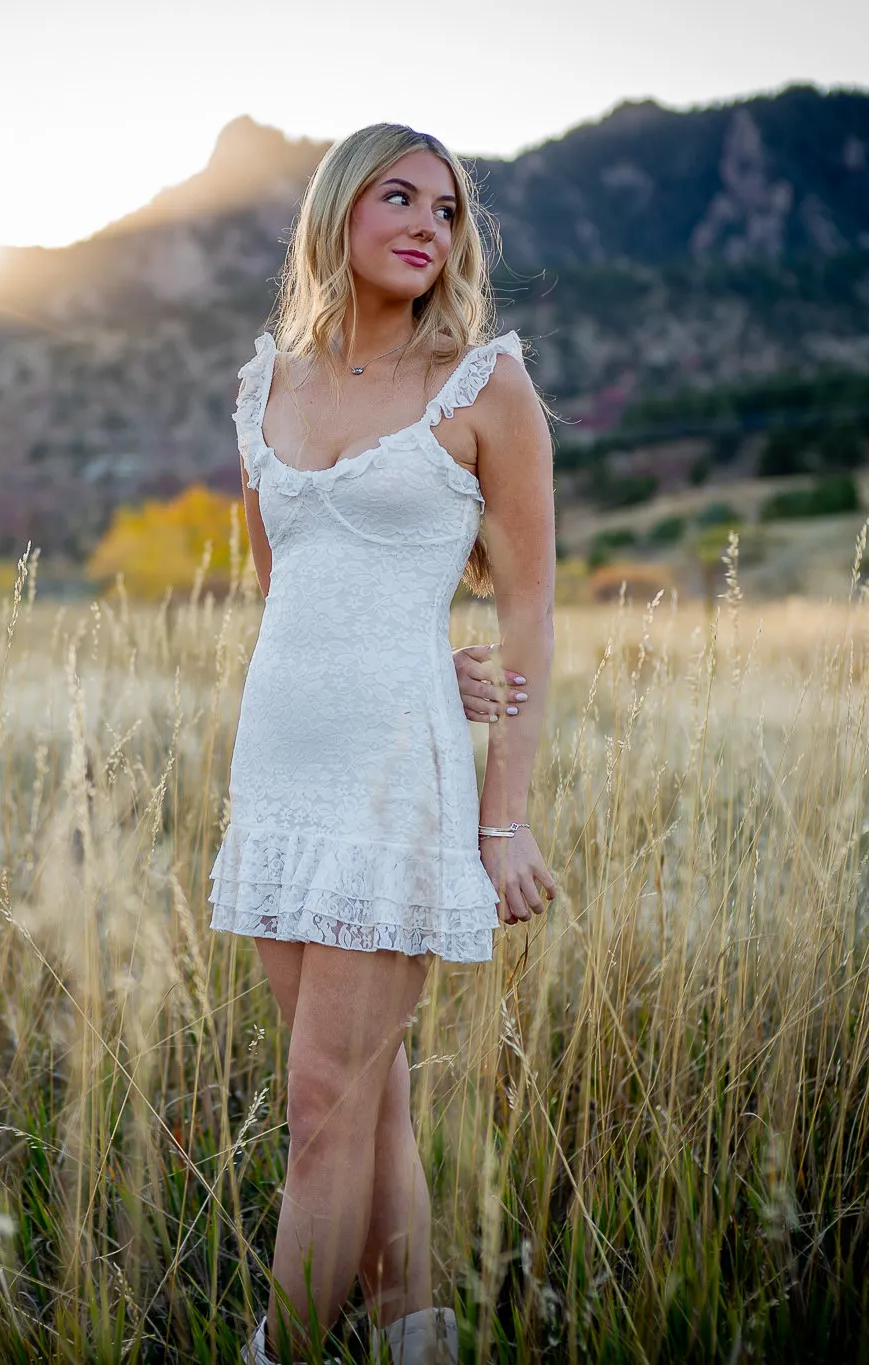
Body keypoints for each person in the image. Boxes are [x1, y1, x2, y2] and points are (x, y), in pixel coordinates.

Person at [207, 122, 560, 1364]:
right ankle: (417, 1338)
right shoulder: (265, 386)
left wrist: (499, 816)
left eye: (448, 209)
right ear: (336, 212)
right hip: (280, 771)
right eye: (399, 198)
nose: (428, 224)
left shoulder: (482, 385)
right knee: (367, 1097)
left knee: (319, 1106)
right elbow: (284, 589)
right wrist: (412, 653)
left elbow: (526, 608)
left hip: (389, 782)